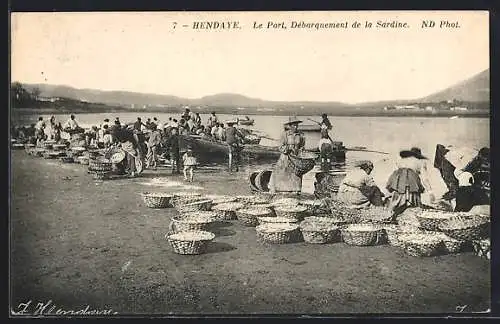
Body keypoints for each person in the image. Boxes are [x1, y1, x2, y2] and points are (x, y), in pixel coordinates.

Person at [386, 147, 434, 217]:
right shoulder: (420, 162)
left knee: (396, 203)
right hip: (412, 182)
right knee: (413, 204)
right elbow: (425, 178)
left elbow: (396, 173)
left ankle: (392, 216)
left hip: (398, 183)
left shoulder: (401, 161)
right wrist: (430, 192)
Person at [270, 116, 306, 195]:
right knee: (283, 174)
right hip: (285, 158)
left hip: (296, 159)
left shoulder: (300, 135)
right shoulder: (285, 134)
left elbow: (302, 146)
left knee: (296, 175)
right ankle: (281, 191)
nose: (295, 127)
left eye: (297, 125)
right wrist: (288, 149)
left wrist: (301, 150)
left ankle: (296, 192)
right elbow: (280, 146)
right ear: (290, 126)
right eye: (294, 125)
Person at [451, 147, 490, 212]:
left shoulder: (482, 161)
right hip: (463, 176)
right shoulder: (469, 161)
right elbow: (459, 172)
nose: (485, 161)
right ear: (480, 155)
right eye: (485, 159)